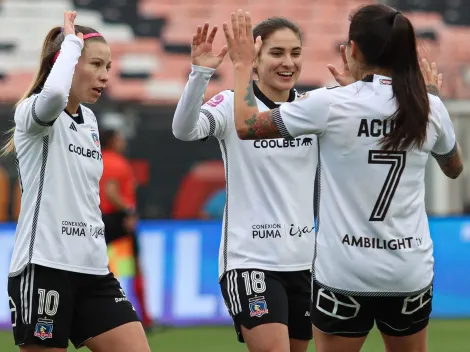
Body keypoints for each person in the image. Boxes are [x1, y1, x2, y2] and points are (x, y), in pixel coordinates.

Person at [224, 5, 463, 352]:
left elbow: (246, 126)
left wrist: (244, 64)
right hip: (408, 268)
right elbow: (453, 168)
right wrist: (433, 99)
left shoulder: (331, 104)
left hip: (346, 273)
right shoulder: (428, 106)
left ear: (353, 49)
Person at [2, 11, 150, 352]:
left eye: (108, 67)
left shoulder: (91, 121)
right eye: (95, 64)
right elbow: (54, 97)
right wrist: (70, 45)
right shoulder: (32, 112)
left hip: (94, 271)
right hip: (45, 267)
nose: (104, 75)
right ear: (65, 63)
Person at [172, 18, 317, 352]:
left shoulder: (312, 109)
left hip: (304, 262)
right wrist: (200, 74)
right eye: (277, 52)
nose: (288, 62)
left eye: (295, 53)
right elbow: (184, 129)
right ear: (254, 58)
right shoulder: (230, 104)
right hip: (250, 260)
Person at [99, 128, 153, 331]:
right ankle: (144, 317)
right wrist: (129, 209)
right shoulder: (116, 162)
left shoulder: (97, 159)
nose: (123, 142)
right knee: (135, 266)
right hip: (118, 219)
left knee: (100, 267)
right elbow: (110, 191)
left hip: (100, 218)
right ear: (113, 141)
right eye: (120, 138)